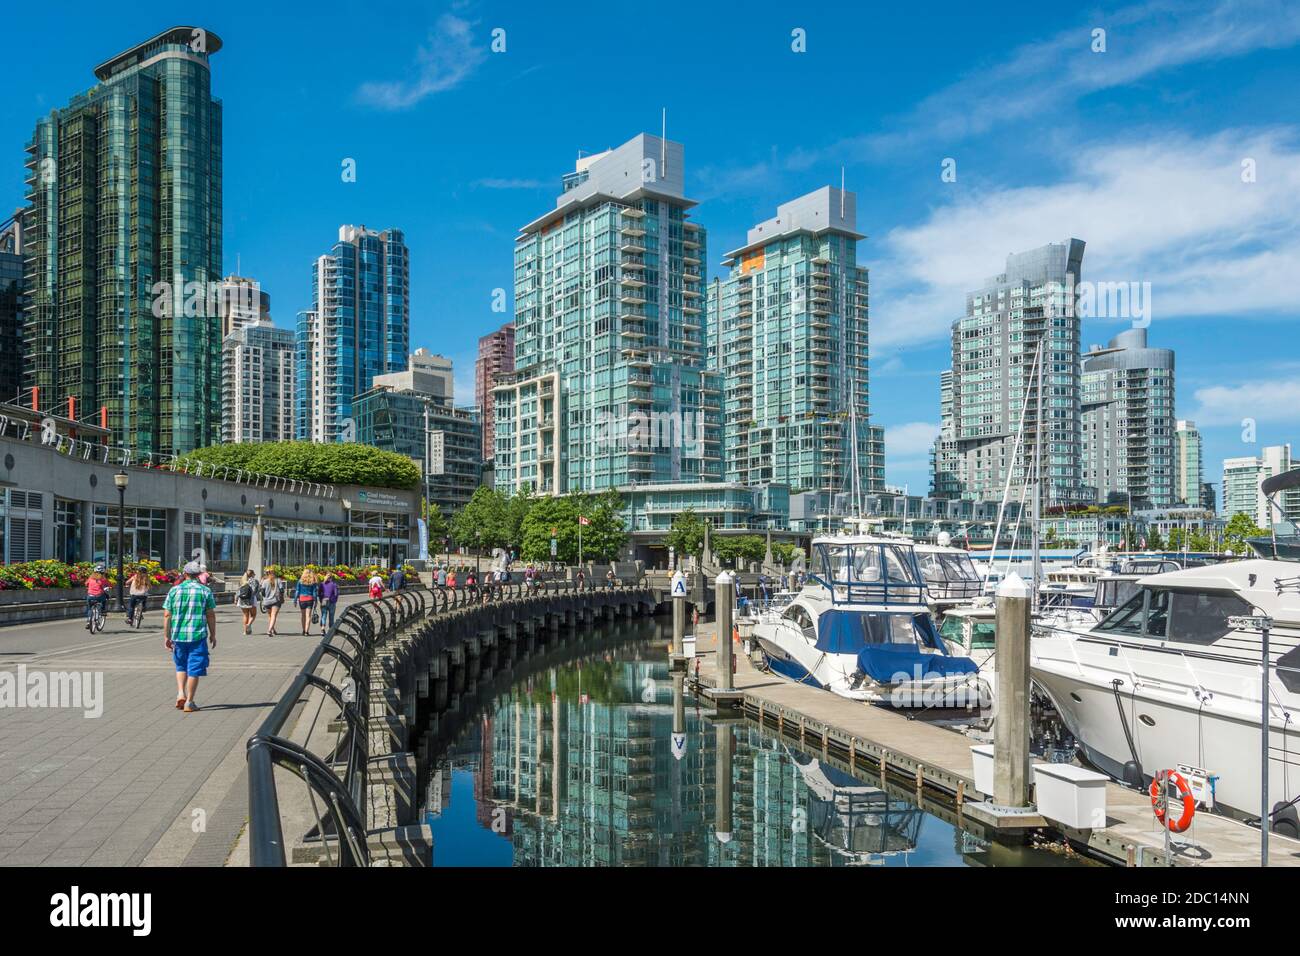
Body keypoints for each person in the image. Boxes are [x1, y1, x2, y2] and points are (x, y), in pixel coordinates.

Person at [163, 560, 217, 713]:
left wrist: (167, 636)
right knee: (194, 668)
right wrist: (213, 634)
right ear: (199, 575)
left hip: (178, 636)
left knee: (181, 665)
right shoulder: (205, 591)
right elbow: (210, 615)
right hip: (197, 635)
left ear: (185, 574)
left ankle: (181, 693)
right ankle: (190, 702)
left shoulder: (174, 591)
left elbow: (167, 615)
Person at [295, 569, 320, 635]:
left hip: (302, 599)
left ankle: (303, 630)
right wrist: (316, 601)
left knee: (303, 615)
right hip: (310, 599)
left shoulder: (300, 581)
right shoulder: (313, 582)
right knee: (308, 616)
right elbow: (314, 592)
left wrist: (295, 600)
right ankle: (306, 631)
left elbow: (297, 591)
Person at [260, 569, 285, 637]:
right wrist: (282, 597)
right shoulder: (278, 580)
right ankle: (269, 630)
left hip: (267, 601)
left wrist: (266, 596)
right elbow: (282, 590)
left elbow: (262, 592)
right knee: (273, 615)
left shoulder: (264, 581)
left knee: (270, 616)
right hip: (275, 600)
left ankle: (273, 629)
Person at [84, 565, 109, 630]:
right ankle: (103, 610)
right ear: (103, 573)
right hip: (99, 596)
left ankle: (88, 621)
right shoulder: (103, 579)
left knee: (89, 608)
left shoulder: (90, 578)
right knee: (105, 598)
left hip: (90, 596)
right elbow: (107, 585)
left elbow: (86, 584)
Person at [236, 570, 259, 634]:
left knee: (245, 615)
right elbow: (256, 591)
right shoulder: (254, 581)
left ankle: (245, 631)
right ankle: (248, 624)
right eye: (254, 574)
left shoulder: (241, 580)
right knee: (253, 615)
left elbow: (238, 590)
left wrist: (236, 599)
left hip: (242, 599)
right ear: (252, 574)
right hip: (251, 599)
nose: (254, 575)